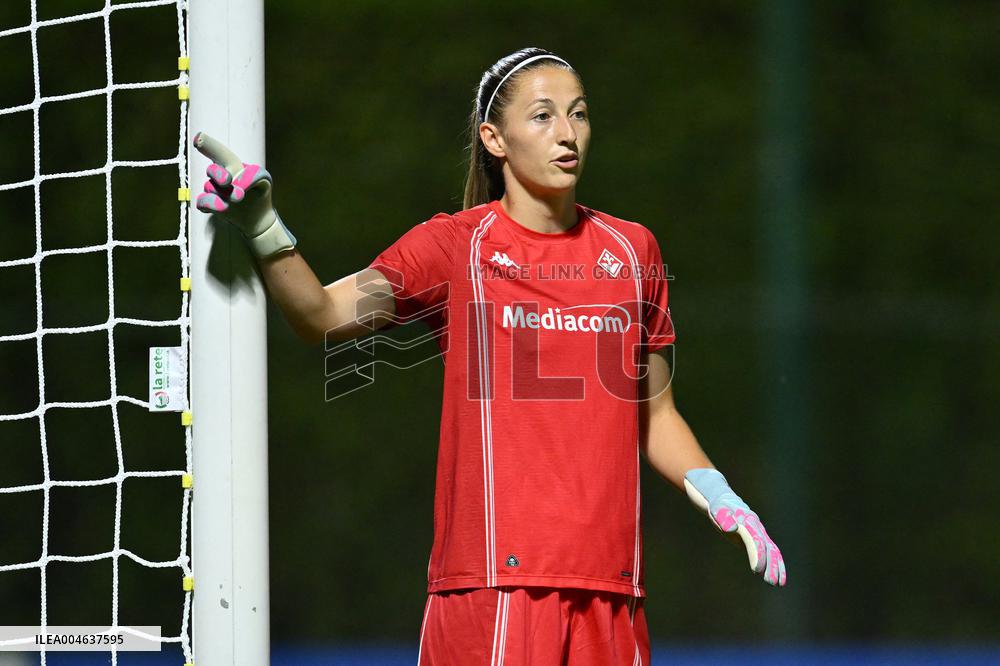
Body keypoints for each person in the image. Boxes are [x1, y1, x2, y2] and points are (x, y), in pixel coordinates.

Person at [193, 46, 785, 666]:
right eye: (543, 116)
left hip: (612, 593)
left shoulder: (634, 251)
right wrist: (263, 225)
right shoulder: (455, 245)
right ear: (493, 139)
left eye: (578, 115)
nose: (567, 134)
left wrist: (722, 494)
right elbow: (320, 316)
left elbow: (654, 413)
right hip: (495, 591)